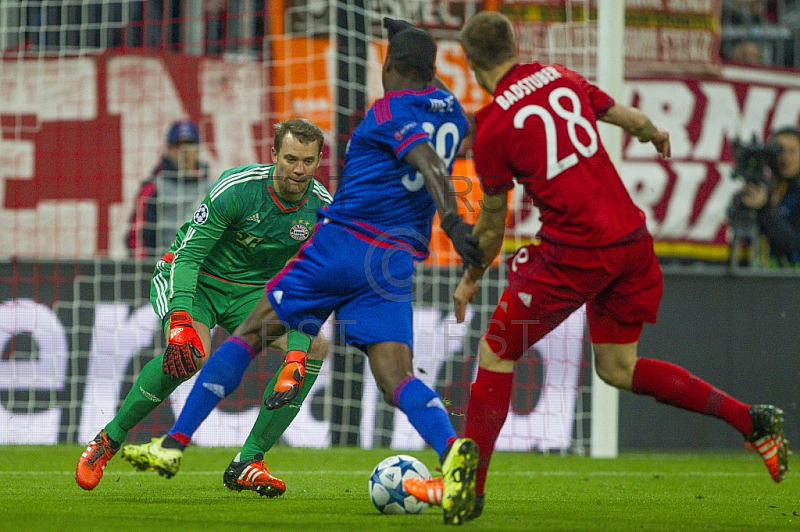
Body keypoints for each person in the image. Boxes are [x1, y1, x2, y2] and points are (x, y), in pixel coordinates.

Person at [404, 11, 790, 520]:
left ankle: (466, 489)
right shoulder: (559, 76)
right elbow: (627, 118)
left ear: (470, 63)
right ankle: (753, 421)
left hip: (576, 253)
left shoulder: (495, 125)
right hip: (631, 242)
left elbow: (492, 226)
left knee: (497, 351)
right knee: (617, 367)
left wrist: (471, 278)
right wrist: (653, 133)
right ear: (514, 46)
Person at [123, 19, 484, 525]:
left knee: (249, 334)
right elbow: (433, 119)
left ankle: (175, 442)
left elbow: (424, 157)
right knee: (395, 376)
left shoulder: (385, 112)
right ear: (431, 71)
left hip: (343, 245)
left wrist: (453, 220)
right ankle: (451, 452)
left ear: (387, 68)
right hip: (393, 264)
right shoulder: (455, 114)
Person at [76, 118, 332, 497]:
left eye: (309, 161)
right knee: (191, 353)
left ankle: (249, 460)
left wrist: (295, 349)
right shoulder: (237, 188)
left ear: (318, 160)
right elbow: (189, 256)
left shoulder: (322, 210)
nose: (299, 170)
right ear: (274, 154)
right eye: (291, 158)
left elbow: (312, 287)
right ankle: (107, 440)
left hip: (249, 295)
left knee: (314, 348)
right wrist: (179, 317)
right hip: (195, 280)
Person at [127, 120, 211, 258]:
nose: (184, 151)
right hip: (163, 270)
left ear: (198, 149)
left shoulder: (212, 189)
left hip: (203, 269)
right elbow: (137, 239)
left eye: (189, 144)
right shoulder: (153, 188)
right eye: (177, 145)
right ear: (168, 149)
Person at [740, 126, 800, 266]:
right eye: (779, 151)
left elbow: (795, 243)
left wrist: (764, 209)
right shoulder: (765, 189)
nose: (785, 157)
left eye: (792, 151)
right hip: (760, 279)